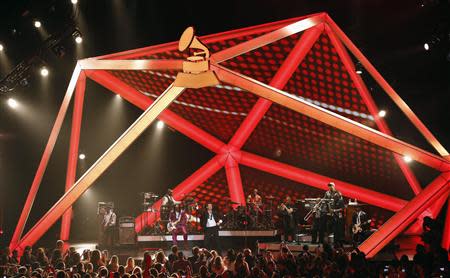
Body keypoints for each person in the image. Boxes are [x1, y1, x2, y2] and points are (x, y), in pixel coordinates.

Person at [324, 182, 345, 246]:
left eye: (331, 186)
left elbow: (342, 208)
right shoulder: (327, 193)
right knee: (328, 228)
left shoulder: (338, 194)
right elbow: (325, 201)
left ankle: (337, 243)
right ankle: (328, 243)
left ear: (334, 186)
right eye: (329, 186)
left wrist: (334, 210)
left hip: (337, 215)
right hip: (329, 215)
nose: (330, 187)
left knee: (337, 230)